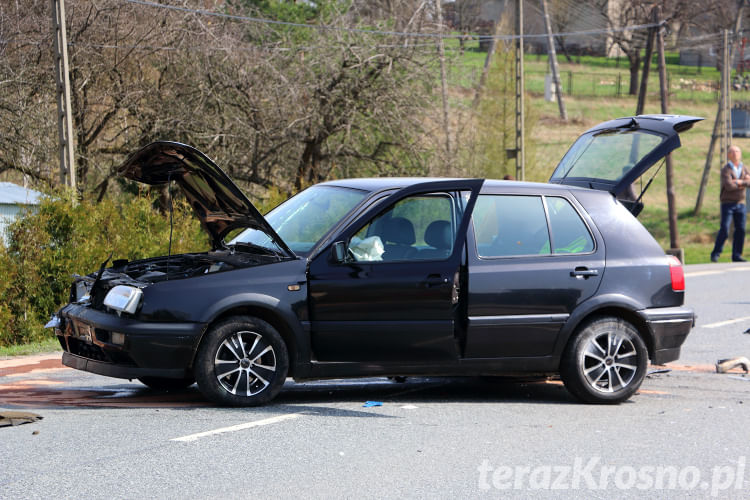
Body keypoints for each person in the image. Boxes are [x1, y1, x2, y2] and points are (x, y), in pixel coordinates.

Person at [711, 145, 750, 262]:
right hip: (727, 203)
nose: (735, 154)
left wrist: (738, 181)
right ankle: (716, 253)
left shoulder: (745, 168)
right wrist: (744, 182)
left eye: (737, 151)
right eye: (732, 152)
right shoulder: (726, 169)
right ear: (728, 155)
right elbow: (729, 186)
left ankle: (737, 255)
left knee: (741, 229)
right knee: (725, 229)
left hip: (740, 203)